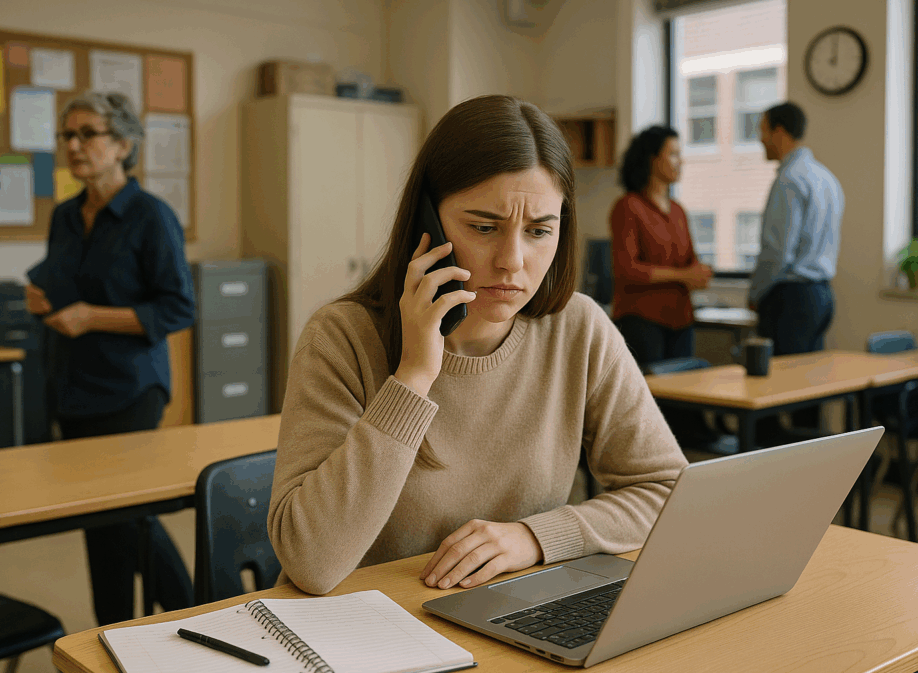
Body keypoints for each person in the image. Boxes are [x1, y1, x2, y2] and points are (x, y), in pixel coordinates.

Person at [267, 95, 688, 596]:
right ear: (427, 219)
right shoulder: (341, 338)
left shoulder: (579, 328)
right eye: (484, 227)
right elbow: (312, 562)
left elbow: (669, 493)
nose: (512, 260)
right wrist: (414, 377)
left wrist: (535, 537)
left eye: (538, 231)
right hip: (368, 633)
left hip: (507, 618)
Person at [25, 91, 195, 626]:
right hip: (72, 385)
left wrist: (91, 317)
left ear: (122, 144)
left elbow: (178, 307)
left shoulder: (151, 215)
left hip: (131, 389)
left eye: (86, 134)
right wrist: (44, 303)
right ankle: (112, 636)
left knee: (128, 519)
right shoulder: (65, 216)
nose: (73, 145)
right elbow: (65, 288)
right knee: (98, 525)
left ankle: (196, 611)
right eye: (65, 135)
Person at [750, 102, 843, 433]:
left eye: (762, 130)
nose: (759, 139)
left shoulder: (789, 180)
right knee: (809, 388)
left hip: (790, 297)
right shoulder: (826, 178)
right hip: (820, 295)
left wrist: (756, 292)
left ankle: (772, 467)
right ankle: (813, 467)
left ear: (779, 131)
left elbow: (777, 252)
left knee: (775, 391)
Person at [609, 126, 712, 366]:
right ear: (653, 159)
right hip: (643, 321)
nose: (680, 161)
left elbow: (689, 261)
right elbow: (627, 269)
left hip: (681, 321)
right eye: (673, 154)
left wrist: (699, 273)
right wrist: (683, 275)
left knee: (685, 399)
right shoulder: (628, 207)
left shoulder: (678, 211)